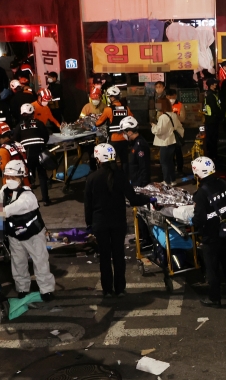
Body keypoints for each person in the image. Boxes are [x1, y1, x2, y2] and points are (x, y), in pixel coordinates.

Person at [85, 144, 151, 297]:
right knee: (118, 255)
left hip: (100, 223)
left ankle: (107, 290)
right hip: (118, 222)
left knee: (105, 257)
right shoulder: (120, 175)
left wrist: (89, 224)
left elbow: (88, 205)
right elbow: (133, 199)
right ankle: (120, 288)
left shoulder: (92, 178)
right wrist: (149, 198)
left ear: (98, 159)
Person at [0, 160, 55, 300]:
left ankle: (46, 290)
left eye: (13, 177)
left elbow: (6, 211)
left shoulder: (28, 197)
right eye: (8, 177)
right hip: (15, 235)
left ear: (21, 178)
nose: (10, 180)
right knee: (18, 263)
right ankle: (22, 288)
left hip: (33, 235)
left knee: (40, 261)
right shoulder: (6, 190)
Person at [191, 156, 226, 308]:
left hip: (211, 236)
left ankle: (215, 298)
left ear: (198, 174)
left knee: (212, 269)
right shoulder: (222, 183)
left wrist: (194, 225)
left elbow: (199, 218)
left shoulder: (201, 194)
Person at [13, 104, 51, 206]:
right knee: (42, 176)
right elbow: (46, 137)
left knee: (28, 178)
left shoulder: (19, 126)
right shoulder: (39, 123)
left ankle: (31, 201)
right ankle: (46, 200)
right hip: (39, 152)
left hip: (27, 154)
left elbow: (15, 140)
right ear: (32, 113)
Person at [95, 86, 133, 174]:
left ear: (112, 97)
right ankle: (125, 178)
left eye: (109, 97)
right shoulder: (126, 108)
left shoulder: (108, 110)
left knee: (112, 161)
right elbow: (132, 120)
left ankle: (114, 178)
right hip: (125, 139)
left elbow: (98, 123)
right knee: (124, 160)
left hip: (113, 140)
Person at [151, 98, 184, 185]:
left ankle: (167, 181)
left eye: (158, 104)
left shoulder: (163, 117)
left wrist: (153, 126)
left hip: (165, 142)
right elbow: (179, 127)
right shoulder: (173, 115)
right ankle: (173, 180)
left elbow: (159, 130)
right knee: (170, 162)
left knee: (164, 162)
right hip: (172, 141)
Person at [120, 117, 150, 187]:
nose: (123, 135)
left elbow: (144, 167)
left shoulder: (140, 146)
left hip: (140, 184)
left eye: (124, 132)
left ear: (130, 132)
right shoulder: (135, 143)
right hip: (136, 182)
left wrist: (143, 186)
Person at [167, 89, 186, 175]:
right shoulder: (162, 104)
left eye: (173, 96)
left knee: (178, 151)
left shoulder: (180, 105)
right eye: (169, 96)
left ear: (176, 96)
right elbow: (158, 117)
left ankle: (180, 169)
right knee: (169, 151)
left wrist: (173, 115)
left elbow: (183, 118)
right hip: (167, 131)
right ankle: (171, 168)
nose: (171, 98)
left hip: (177, 131)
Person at [203, 78, 222, 162]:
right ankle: (212, 155)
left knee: (213, 138)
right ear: (211, 85)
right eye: (215, 83)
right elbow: (215, 109)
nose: (216, 85)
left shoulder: (212, 94)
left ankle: (213, 154)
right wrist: (220, 115)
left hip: (212, 120)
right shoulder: (211, 95)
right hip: (212, 120)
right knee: (212, 139)